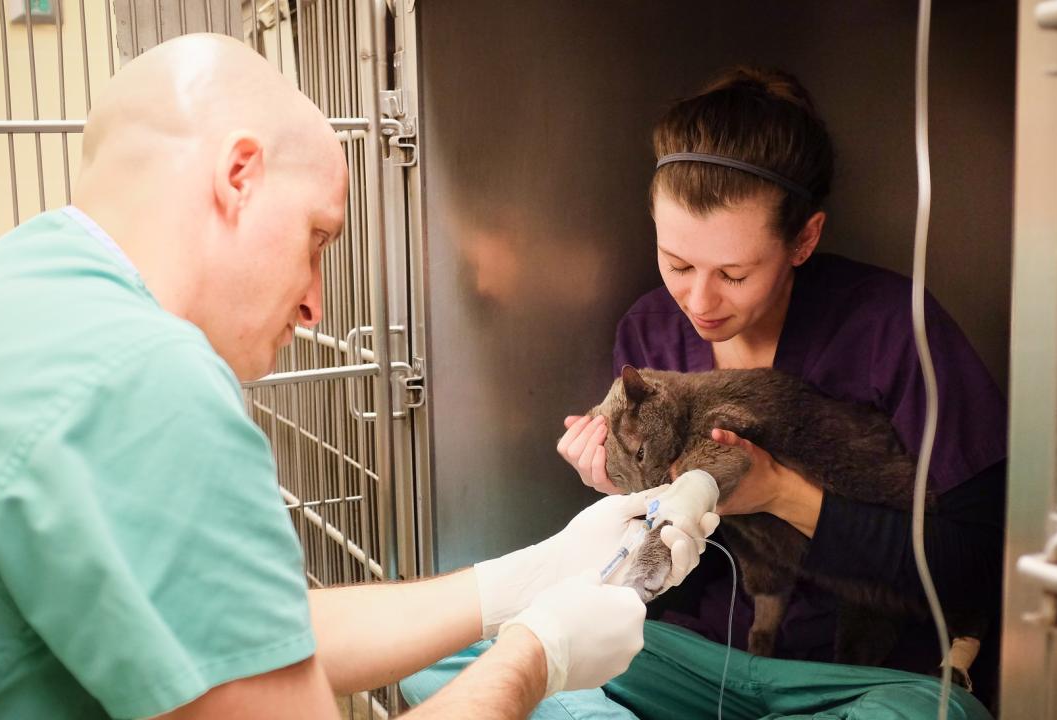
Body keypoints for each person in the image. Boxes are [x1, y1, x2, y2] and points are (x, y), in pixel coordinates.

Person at [0, 34, 719, 719]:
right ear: (238, 175)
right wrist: (538, 658)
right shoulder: (142, 380)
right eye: (318, 239)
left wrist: (523, 578)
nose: (317, 304)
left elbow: (248, 642)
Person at [405, 67, 1004, 719]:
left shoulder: (892, 327)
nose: (698, 301)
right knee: (450, 662)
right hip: (693, 658)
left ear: (804, 239)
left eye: (735, 274)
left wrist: (782, 493)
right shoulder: (651, 331)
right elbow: (659, 563)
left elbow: (979, 566)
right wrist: (623, 488)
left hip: (855, 681)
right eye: (678, 264)